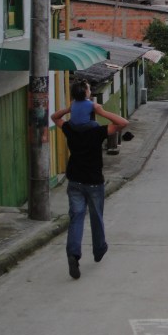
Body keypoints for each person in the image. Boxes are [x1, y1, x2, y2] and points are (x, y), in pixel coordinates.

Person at [51, 93, 129, 280]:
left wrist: (69, 109)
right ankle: (99, 249)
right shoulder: (97, 131)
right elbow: (123, 123)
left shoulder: (69, 128)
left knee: (76, 217)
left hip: (75, 181)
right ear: (91, 113)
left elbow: (55, 117)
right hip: (94, 181)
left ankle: (73, 254)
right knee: (96, 216)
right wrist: (101, 110)